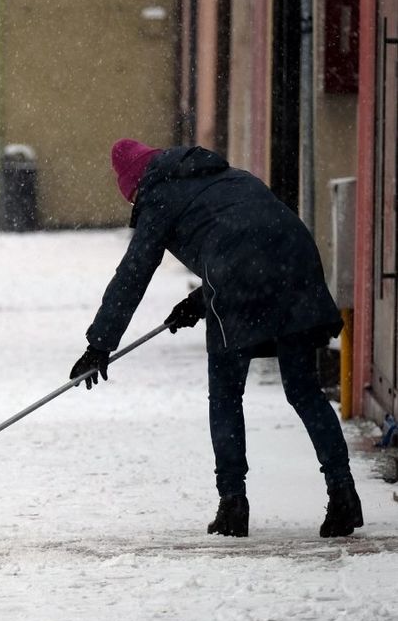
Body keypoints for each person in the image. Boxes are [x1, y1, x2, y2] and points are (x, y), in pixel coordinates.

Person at [69, 139, 362, 539]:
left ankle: (232, 505)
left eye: (132, 196)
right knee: (305, 390)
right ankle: (343, 492)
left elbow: (134, 272)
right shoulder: (224, 176)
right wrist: (199, 301)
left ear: (137, 184)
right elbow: (246, 236)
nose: (136, 202)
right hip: (297, 261)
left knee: (225, 396)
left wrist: (99, 344)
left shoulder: (157, 196)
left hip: (243, 276)